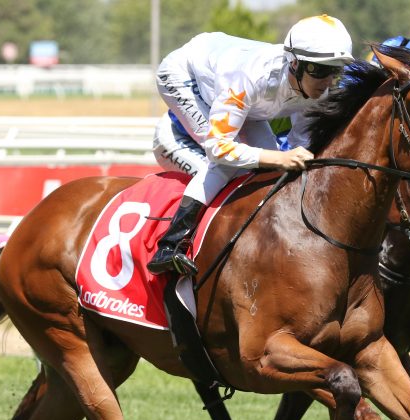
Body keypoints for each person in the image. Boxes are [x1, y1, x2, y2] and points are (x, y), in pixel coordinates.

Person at [147, 15, 355, 276]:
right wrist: (280, 158)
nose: (327, 82)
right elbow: (218, 148)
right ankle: (170, 246)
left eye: (335, 71)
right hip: (183, 76)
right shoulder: (250, 77)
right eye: (320, 70)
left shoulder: (317, 90)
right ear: (294, 63)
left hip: (239, 92)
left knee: (272, 168)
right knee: (224, 165)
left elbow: (300, 146)